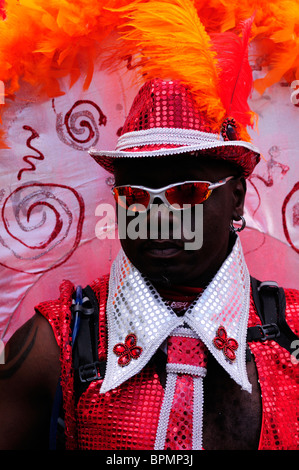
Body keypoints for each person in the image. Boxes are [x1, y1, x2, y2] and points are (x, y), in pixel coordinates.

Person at [0, 77, 298, 451]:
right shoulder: (55, 344)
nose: (159, 216)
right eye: (135, 195)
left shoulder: (293, 333)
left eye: (187, 191)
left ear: (236, 198)